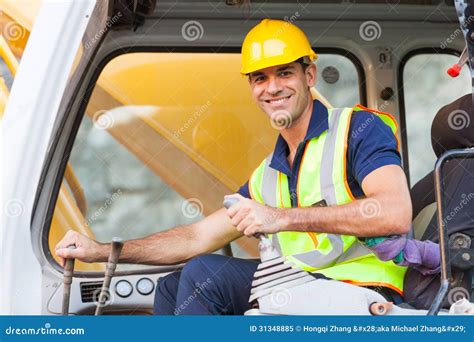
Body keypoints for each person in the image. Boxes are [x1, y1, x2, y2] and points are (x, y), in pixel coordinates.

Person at [55, 19, 412, 315]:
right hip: (300, 286)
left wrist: (281, 218)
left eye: (284, 73)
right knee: (172, 285)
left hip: (360, 289)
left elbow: (394, 213)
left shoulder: (357, 129)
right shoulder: (267, 176)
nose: (272, 88)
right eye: (260, 78)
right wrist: (102, 251)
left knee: (205, 275)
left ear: (310, 76)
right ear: (252, 87)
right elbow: (197, 238)